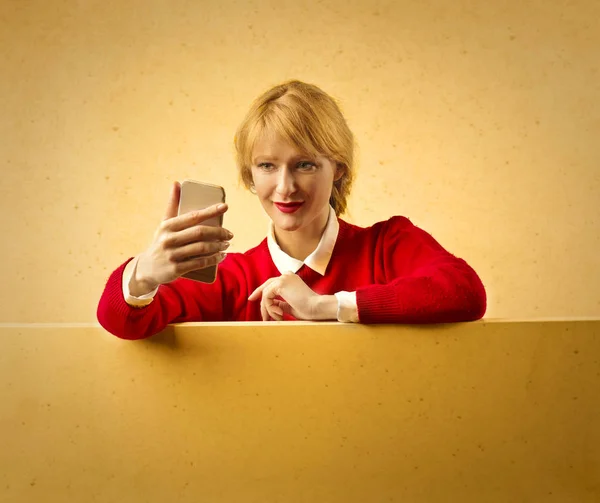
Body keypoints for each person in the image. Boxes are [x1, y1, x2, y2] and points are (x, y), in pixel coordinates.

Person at [97, 80, 486, 340]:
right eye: (267, 165)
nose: (285, 187)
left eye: (305, 164)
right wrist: (144, 273)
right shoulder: (231, 278)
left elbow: (466, 293)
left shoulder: (387, 245)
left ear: (338, 170)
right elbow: (126, 320)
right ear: (249, 176)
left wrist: (325, 306)